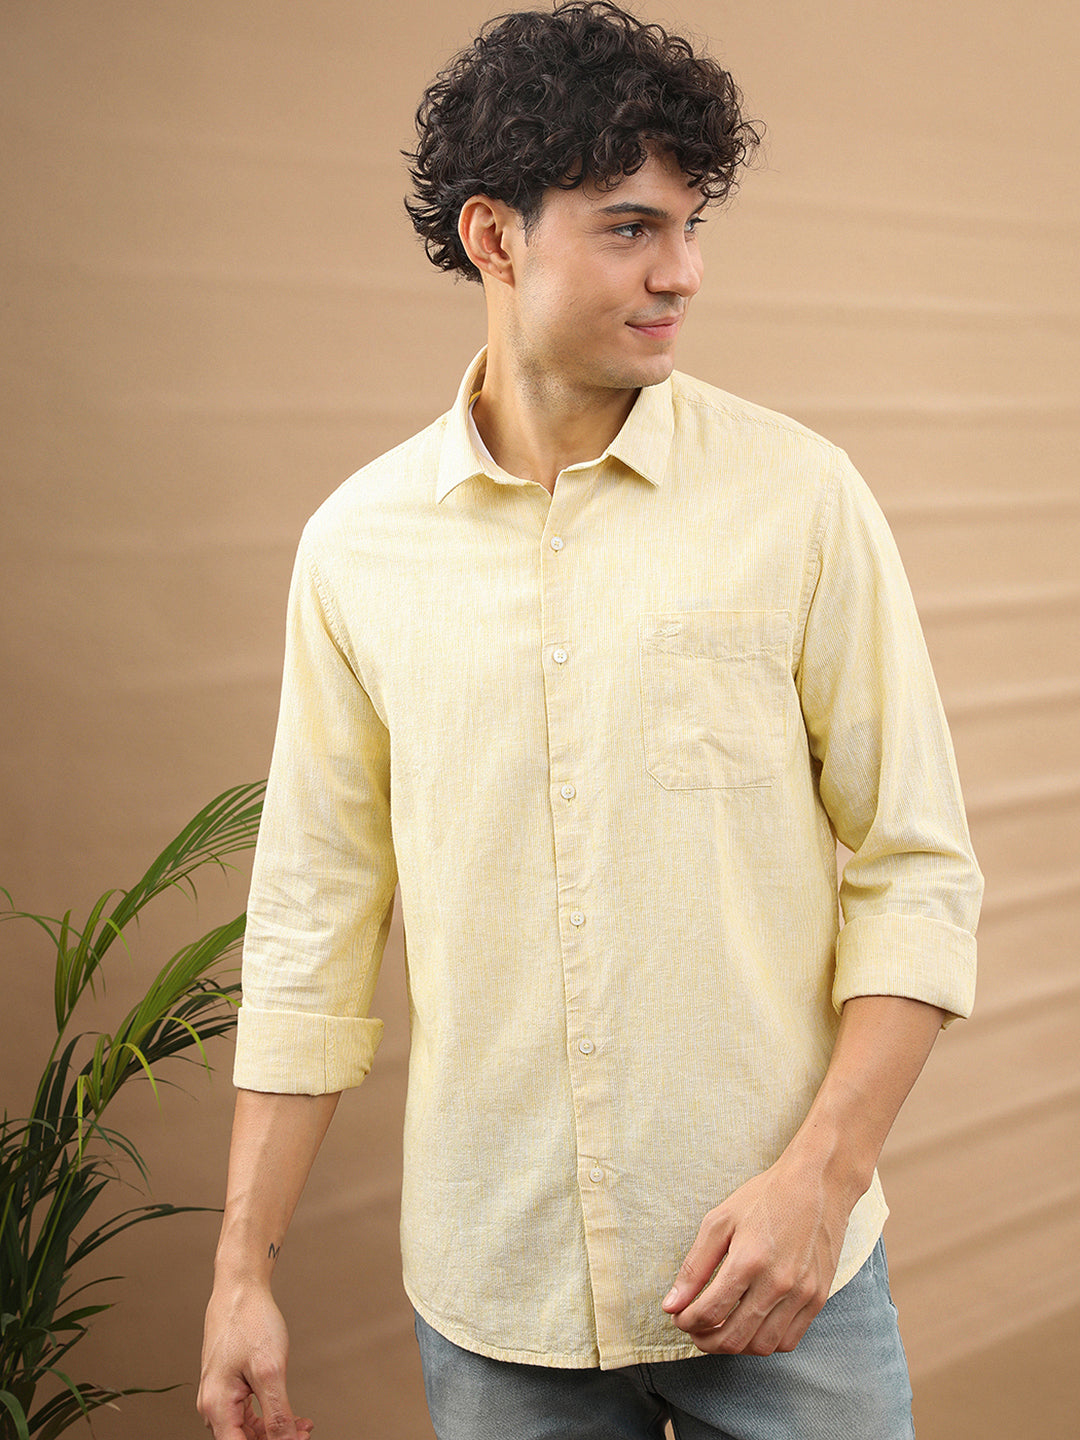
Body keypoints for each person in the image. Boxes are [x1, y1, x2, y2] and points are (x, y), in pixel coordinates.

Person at [197, 4, 982, 1437]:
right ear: (494, 237)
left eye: (689, 226)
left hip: (785, 1279)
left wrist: (821, 1179)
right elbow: (311, 920)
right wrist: (241, 1270)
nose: (682, 271)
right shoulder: (356, 549)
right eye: (630, 229)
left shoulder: (800, 501)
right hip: (499, 1298)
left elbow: (917, 867)